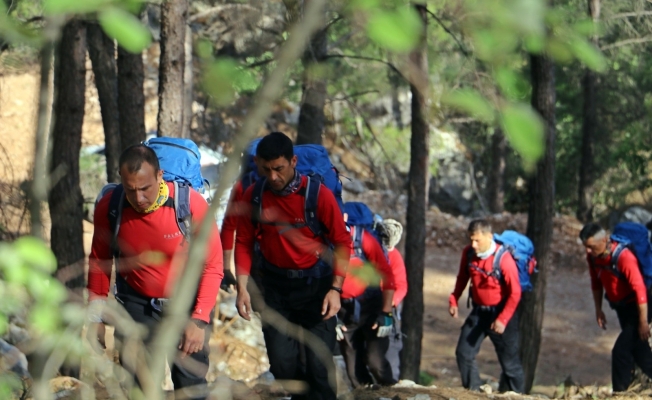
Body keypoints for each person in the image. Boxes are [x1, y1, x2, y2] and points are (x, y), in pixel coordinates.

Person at [87, 145, 223, 400]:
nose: (138, 198)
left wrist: (199, 320)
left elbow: (212, 265)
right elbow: (99, 261)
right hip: (136, 306)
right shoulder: (110, 206)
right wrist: (95, 317)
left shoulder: (189, 204)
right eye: (131, 189)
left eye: (145, 188)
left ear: (160, 176)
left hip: (186, 306)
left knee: (191, 388)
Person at [234, 132, 351, 400]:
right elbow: (243, 241)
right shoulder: (255, 196)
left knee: (319, 369)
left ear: (293, 161)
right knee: (283, 367)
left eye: (279, 168)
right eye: (266, 169)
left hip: (317, 289)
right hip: (275, 289)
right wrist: (242, 287)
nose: (273, 176)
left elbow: (343, 242)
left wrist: (336, 289)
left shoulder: (317, 196)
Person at [448, 219, 524, 393]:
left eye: (477, 240)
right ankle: (475, 392)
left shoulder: (503, 259)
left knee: (510, 365)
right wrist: (454, 299)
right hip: (479, 311)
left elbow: (515, 293)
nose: (473, 245)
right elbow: (462, 278)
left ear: (489, 237)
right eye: (471, 240)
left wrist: (503, 320)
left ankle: (519, 396)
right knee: (464, 354)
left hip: (501, 313)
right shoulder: (468, 254)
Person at [579, 222, 652, 391]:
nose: (588, 251)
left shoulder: (624, 257)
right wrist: (598, 309)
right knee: (640, 353)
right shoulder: (593, 257)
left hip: (640, 306)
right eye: (586, 247)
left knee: (620, 352)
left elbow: (639, 288)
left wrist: (642, 321)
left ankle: (620, 393)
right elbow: (596, 282)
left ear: (604, 240)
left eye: (591, 246)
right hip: (622, 308)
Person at [337, 216, 397, 388]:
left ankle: (390, 393)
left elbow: (387, 275)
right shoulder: (322, 240)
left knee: (376, 363)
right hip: (344, 310)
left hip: (372, 307)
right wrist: (331, 318)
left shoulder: (363, 239)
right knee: (354, 373)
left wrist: (386, 313)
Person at [381, 218, 407, 381]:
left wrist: (391, 302)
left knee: (391, 349)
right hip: (367, 305)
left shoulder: (395, 256)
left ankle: (391, 385)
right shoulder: (368, 249)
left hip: (388, 308)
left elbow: (401, 285)